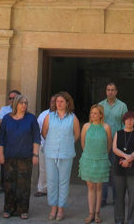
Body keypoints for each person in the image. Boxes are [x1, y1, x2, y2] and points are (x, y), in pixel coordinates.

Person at [0, 94, 40, 219]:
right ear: (16, 104)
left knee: (24, 184)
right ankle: (9, 209)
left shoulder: (31, 119)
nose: (24, 105)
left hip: (25, 157)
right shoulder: (6, 119)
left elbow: (36, 138)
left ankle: (23, 210)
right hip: (9, 156)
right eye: (21, 103)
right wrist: (0, 155)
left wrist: (35, 154)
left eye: (26, 103)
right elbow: (1, 139)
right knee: (9, 184)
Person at [41, 91, 80, 222]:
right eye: (57, 101)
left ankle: (61, 209)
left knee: (63, 182)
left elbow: (77, 134)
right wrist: (53, 143)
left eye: (62, 101)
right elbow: (44, 133)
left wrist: (66, 143)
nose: (59, 103)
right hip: (51, 153)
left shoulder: (73, 118)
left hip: (66, 153)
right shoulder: (49, 117)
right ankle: (53, 207)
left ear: (67, 103)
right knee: (51, 182)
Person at [79, 104, 112, 223]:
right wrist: (89, 154)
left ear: (101, 115)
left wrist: (102, 155)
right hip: (88, 159)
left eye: (95, 113)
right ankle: (91, 213)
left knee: (99, 187)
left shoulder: (106, 127)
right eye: (91, 113)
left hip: (101, 160)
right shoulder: (86, 126)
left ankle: (97, 213)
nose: (92, 115)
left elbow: (109, 144)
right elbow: (82, 143)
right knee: (90, 187)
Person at [98, 83, 127, 207]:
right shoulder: (100, 105)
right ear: (106, 91)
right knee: (104, 171)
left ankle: (116, 198)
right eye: (108, 90)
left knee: (116, 172)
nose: (110, 92)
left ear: (116, 92)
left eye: (112, 90)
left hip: (117, 143)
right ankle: (103, 198)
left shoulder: (122, 106)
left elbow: (125, 124)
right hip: (103, 143)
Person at [112, 111, 134, 224]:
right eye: (127, 119)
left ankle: (131, 220)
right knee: (119, 196)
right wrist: (126, 157)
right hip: (119, 167)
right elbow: (114, 148)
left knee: (133, 197)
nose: (129, 121)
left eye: (131, 119)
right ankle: (119, 219)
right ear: (124, 121)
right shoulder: (118, 133)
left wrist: (129, 159)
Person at [0, 90, 21, 195]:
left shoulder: (22, 108)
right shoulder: (4, 109)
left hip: (18, 139)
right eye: (10, 98)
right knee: (4, 162)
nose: (11, 100)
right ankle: (3, 185)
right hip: (6, 138)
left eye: (14, 98)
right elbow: (0, 121)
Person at [35, 95, 56, 198]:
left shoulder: (64, 115)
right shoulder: (43, 114)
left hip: (58, 147)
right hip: (44, 144)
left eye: (55, 101)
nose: (53, 103)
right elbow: (38, 129)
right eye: (52, 101)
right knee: (43, 168)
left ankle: (54, 190)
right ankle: (42, 189)